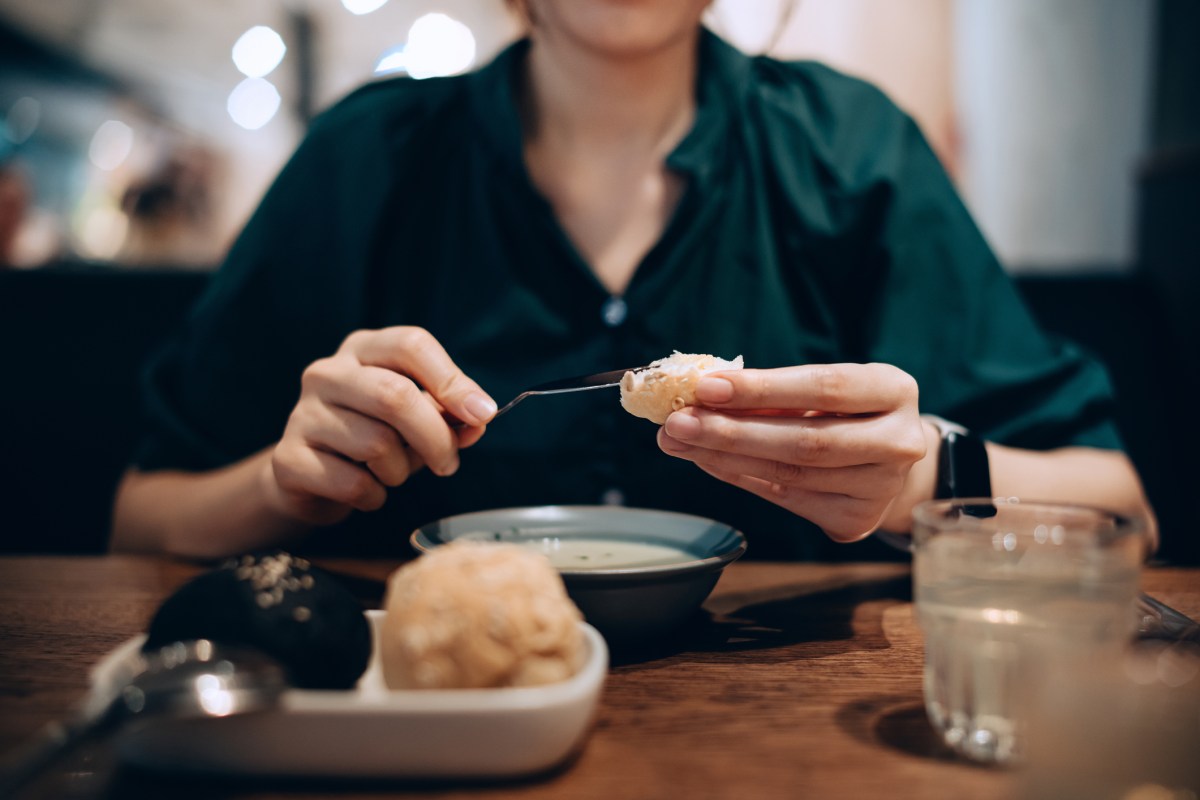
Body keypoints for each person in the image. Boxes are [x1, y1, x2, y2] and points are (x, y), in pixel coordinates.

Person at [110, 0, 1155, 561]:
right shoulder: (363, 161)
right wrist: (289, 484)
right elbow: (142, 520)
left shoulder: (854, 150)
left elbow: (1122, 509)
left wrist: (921, 480)